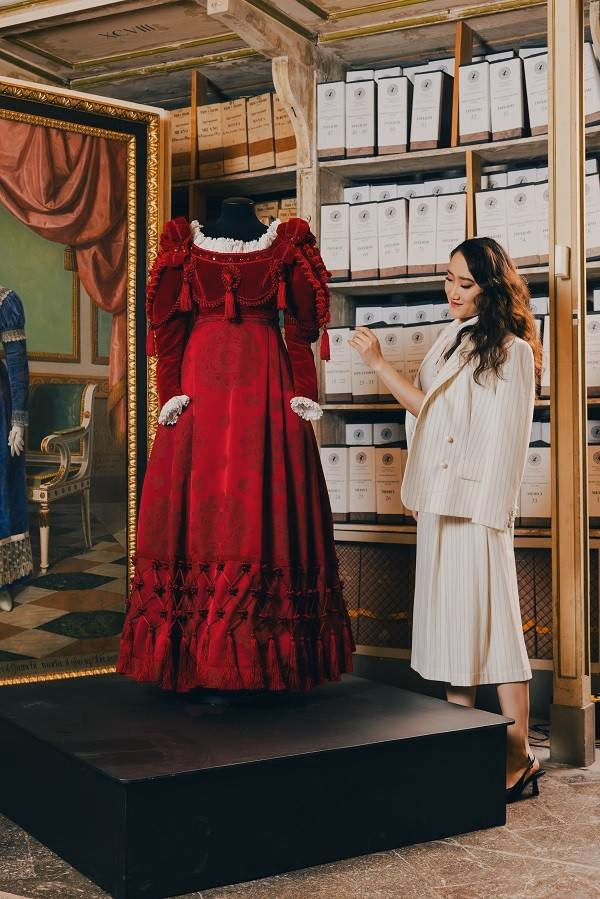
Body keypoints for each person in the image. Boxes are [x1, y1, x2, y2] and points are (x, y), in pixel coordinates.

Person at [349, 237, 545, 803]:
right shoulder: (448, 338)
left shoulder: (513, 351)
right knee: (454, 627)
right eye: (448, 279)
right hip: (439, 501)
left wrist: (491, 512)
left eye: (465, 283)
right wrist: (421, 487)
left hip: (478, 508)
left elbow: (507, 439)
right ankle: (465, 751)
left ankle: (519, 757)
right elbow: (428, 416)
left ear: (491, 287)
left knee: (496, 626)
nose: (452, 291)